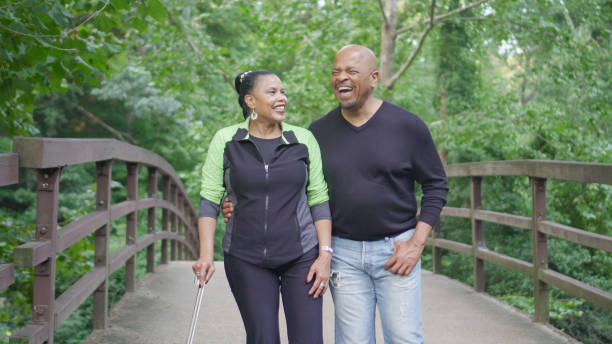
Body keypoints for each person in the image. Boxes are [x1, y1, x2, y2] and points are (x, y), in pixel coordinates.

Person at [223, 46, 448, 343]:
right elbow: (298, 188)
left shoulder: (407, 126)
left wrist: (416, 244)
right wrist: (237, 202)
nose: (341, 77)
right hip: (343, 254)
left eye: (352, 72)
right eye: (336, 72)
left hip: (396, 249)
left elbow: (436, 185)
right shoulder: (318, 132)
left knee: (404, 338)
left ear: (374, 78)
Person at [192, 70, 333, 344]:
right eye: (272, 92)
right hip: (246, 257)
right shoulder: (226, 140)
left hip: (302, 256)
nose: (282, 98)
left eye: (283, 92)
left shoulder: (302, 139)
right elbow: (210, 199)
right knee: (263, 339)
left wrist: (324, 254)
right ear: (250, 101)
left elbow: (318, 198)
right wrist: (205, 255)